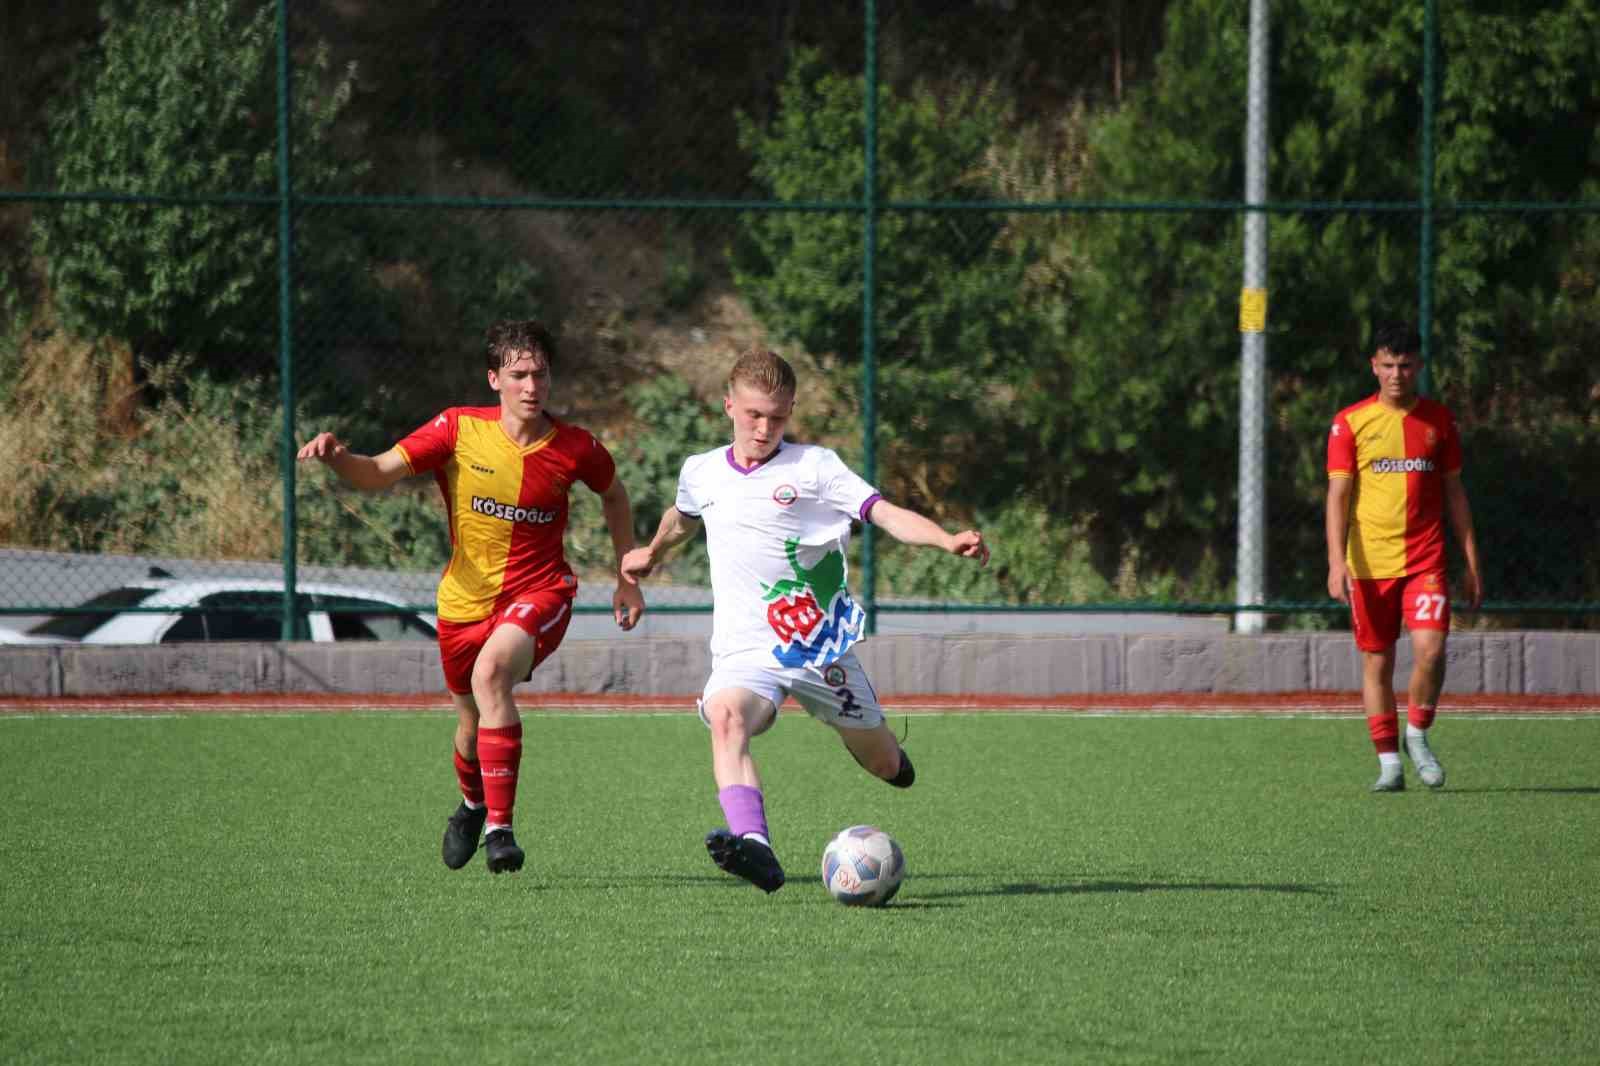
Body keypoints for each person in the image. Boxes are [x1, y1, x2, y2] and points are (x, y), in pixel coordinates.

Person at [619, 348, 988, 894]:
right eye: (753, 415)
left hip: (817, 647)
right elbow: (682, 516)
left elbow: (883, 513)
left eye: (777, 416)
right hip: (745, 652)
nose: (765, 427)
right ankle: (757, 848)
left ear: (790, 411)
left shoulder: (816, 468)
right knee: (726, 718)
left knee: (885, 765)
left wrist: (944, 538)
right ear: (728, 406)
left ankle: (891, 757)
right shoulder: (700, 471)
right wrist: (652, 552)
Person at [297, 319, 645, 873]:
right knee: (468, 724)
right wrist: (339, 456)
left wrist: (627, 575)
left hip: (541, 591)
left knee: (491, 676)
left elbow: (615, 496)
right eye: (519, 375)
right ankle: (472, 805)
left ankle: (501, 831)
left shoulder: (577, 447)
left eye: (541, 374)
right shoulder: (457, 429)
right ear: (494, 379)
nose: (532, 386)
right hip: (462, 603)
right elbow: (378, 473)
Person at [1326, 322, 1482, 792]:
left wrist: (1473, 561)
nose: (1397, 374)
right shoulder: (1350, 422)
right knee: (1377, 662)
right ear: (1374, 366)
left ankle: (1417, 733)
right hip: (1369, 564)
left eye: (1406, 365)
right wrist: (1337, 562)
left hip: (1425, 560)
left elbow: (1455, 493)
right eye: (1388, 365)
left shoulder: (1439, 422)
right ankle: (1389, 764)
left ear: (1419, 366)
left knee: (1431, 649)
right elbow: (1337, 496)